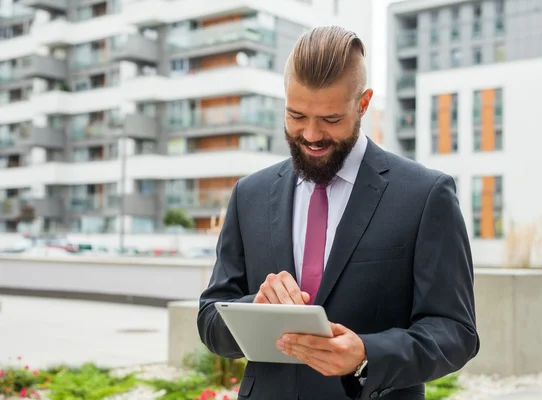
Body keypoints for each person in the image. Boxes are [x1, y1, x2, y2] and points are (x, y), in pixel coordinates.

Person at [197, 25, 479, 400]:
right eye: (297, 116)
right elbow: (210, 318)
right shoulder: (249, 194)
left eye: (330, 120)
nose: (311, 135)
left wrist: (366, 355)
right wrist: (256, 308)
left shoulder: (426, 195)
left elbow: (456, 332)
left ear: (363, 104)